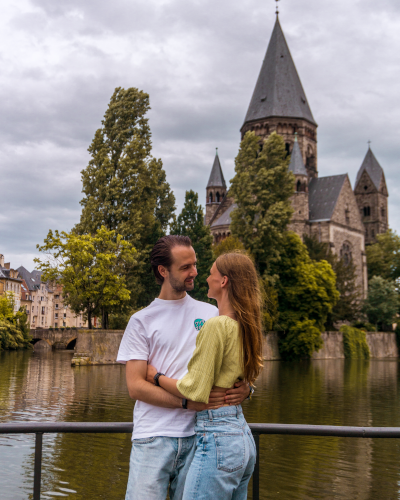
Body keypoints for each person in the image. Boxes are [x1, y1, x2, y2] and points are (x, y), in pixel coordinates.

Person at [117, 235, 251, 500]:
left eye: (195, 264)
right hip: (153, 438)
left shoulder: (212, 314)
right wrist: (186, 404)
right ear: (163, 271)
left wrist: (247, 389)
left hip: (201, 437)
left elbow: (234, 365)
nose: (195, 273)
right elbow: (135, 387)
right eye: (185, 267)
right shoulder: (141, 321)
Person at [146, 251, 264, 500]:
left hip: (218, 436)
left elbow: (194, 389)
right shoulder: (245, 325)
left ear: (223, 281)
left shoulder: (217, 325)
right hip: (242, 438)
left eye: (210, 273)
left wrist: (156, 376)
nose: (204, 277)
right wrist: (248, 389)